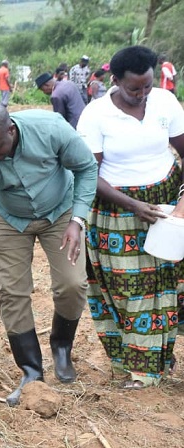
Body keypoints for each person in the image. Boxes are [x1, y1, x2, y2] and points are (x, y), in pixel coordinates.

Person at [0, 103, 97, 406]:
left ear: (11, 129)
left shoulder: (51, 129)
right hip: (9, 220)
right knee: (11, 292)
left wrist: (78, 220)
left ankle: (62, 346)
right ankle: (31, 372)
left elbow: (86, 167)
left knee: (73, 284)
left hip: (61, 211)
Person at [76, 45, 184, 389]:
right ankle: (134, 366)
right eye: (133, 88)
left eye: (147, 86)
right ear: (115, 80)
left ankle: (158, 362)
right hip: (116, 210)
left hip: (165, 205)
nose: (142, 95)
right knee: (128, 290)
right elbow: (88, 175)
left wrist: (181, 201)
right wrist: (133, 205)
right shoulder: (95, 115)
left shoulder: (165, 102)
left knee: (167, 285)